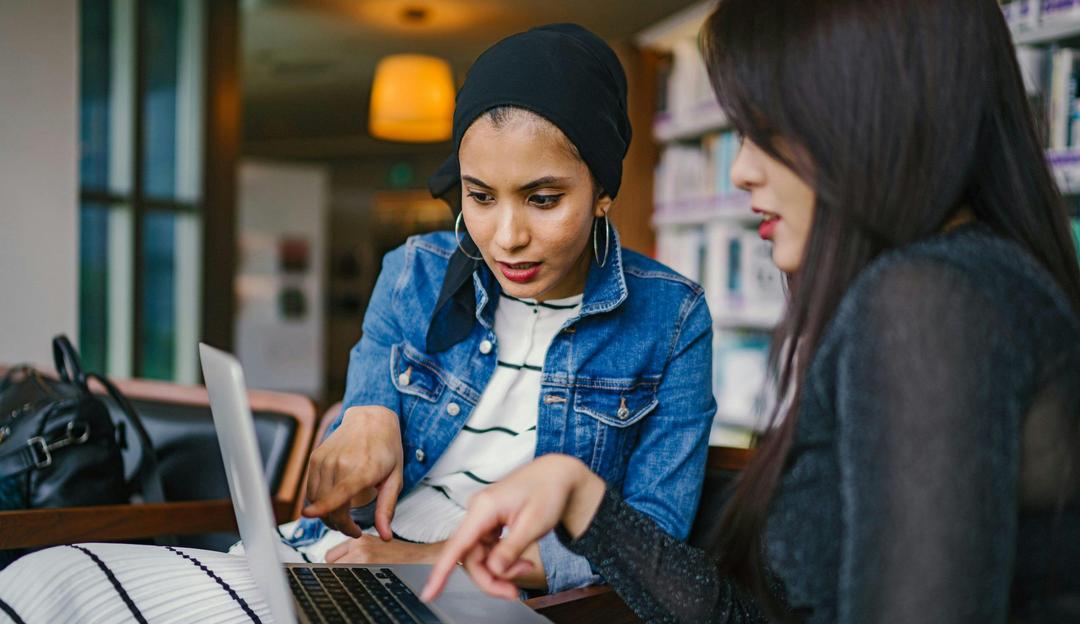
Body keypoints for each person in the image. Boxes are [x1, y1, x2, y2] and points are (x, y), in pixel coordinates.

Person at [423, 1, 1080, 621]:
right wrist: (584, 501)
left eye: (767, 131)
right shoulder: (958, 285)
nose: (740, 171)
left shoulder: (930, 302)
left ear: (874, 112)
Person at [285, 22, 717, 595]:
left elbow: (647, 544)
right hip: (353, 557)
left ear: (603, 192)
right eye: (481, 196)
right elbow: (363, 416)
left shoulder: (673, 319)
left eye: (543, 199)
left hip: (485, 592)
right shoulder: (415, 271)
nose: (507, 238)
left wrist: (426, 558)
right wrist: (365, 415)